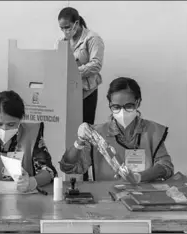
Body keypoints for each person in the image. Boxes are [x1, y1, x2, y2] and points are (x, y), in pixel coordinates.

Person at [59, 77, 174, 183]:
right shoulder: (97, 135)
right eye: (116, 107)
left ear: (138, 102)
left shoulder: (151, 132)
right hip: (107, 198)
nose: (122, 112)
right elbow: (69, 167)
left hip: (143, 197)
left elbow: (166, 167)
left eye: (128, 106)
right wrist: (79, 142)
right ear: (110, 104)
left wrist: (138, 177)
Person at [56, 7, 105, 180]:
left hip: (86, 93)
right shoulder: (63, 41)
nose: (65, 31)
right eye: (62, 28)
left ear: (76, 23)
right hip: (69, 93)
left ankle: (85, 174)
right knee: (70, 135)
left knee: (84, 133)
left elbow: (96, 65)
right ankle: (71, 172)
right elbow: (59, 64)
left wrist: (74, 71)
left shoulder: (92, 39)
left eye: (67, 27)